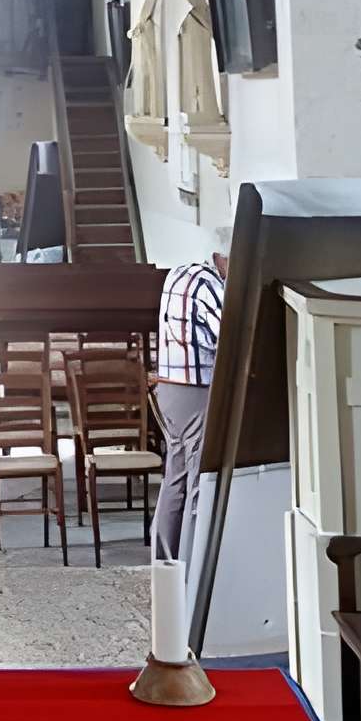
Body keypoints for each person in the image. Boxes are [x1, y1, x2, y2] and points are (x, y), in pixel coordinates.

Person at [151, 230, 229, 563]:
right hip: (195, 391)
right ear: (222, 257)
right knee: (199, 481)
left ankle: (165, 563)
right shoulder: (209, 285)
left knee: (175, 479)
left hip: (169, 390)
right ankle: (192, 567)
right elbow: (228, 335)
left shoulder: (178, 273)